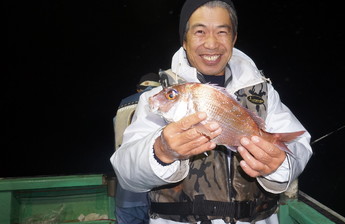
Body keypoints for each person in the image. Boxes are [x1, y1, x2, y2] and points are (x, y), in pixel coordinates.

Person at [111, 0, 313, 223]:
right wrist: (160, 151)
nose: (211, 43)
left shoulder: (263, 92)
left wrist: (281, 164)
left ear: (233, 39)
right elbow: (125, 172)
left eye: (222, 32)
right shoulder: (156, 97)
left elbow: (299, 145)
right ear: (184, 41)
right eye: (199, 31)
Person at [113, 72, 160, 224]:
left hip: (126, 191)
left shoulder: (122, 105)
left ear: (138, 89)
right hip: (155, 190)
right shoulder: (160, 100)